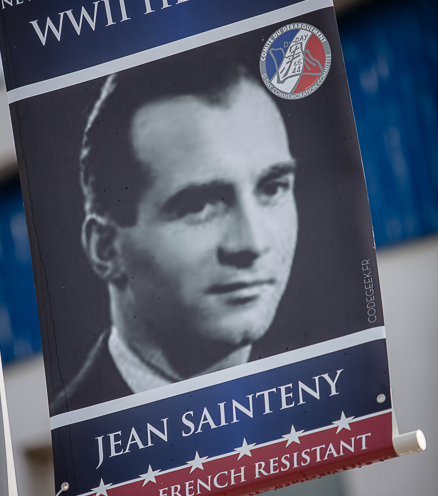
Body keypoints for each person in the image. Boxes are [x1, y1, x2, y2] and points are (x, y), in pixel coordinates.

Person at [54, 57, 298, 410]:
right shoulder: (77, 437)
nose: (253, 243)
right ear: (106, 249)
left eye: (272, 188)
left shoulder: (326, 405)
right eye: (199, 206)